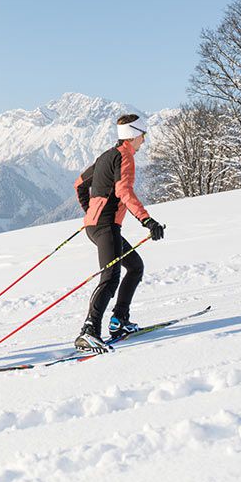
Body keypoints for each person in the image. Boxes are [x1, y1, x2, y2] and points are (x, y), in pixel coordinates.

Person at [72, 114, 165, 353]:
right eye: (142, 135)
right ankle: (89, 331)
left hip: (95, 225)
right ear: (133, 135)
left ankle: (119, 320)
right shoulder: (124, 157)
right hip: (105, 226)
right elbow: (124, 191)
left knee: (135, 266)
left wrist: (91, 210)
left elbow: (80, 184)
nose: (144, 140)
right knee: (110, 277)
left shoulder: (106, 156)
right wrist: (147, 220)